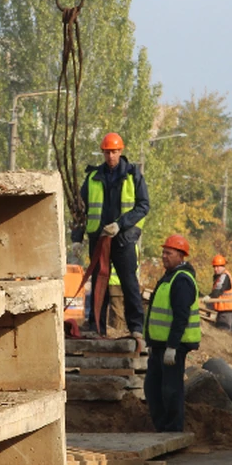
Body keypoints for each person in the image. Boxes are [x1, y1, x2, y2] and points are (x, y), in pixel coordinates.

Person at [71, 132, 149, 338]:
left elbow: (143, 206)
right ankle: (97, 327)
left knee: (129, 283)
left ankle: (136, 328)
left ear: (120, 151)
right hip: (99, 239)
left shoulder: (133, 175)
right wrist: (76, 238)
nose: (110, 156)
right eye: (107, 152)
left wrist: (121, 224)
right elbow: (81, 209)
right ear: (103, 152)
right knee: (98, 284)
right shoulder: (94, 177)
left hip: (123, 238)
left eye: (114, 152)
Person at [143, 234, 200, 432]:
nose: (164, 256)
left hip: (173, 347)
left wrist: (172, 347)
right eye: (163, 252)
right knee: (152, 388)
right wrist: (151, 343)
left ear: (181, 256)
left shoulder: (182, 280)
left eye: (169, 253)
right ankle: (162, 429)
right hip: (159, 346)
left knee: (171, 390)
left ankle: (173, 430)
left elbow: (180, 317)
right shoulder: (168, 277)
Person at [209, 254, 232, 331]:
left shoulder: (224, 276)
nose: (215, 269)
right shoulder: (219, 277)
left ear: (223, 266)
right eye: (214, 266)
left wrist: (209, 297)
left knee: (224, 333)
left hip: (226, 311)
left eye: (218, 266)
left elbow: (218, 291)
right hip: (222, 310)